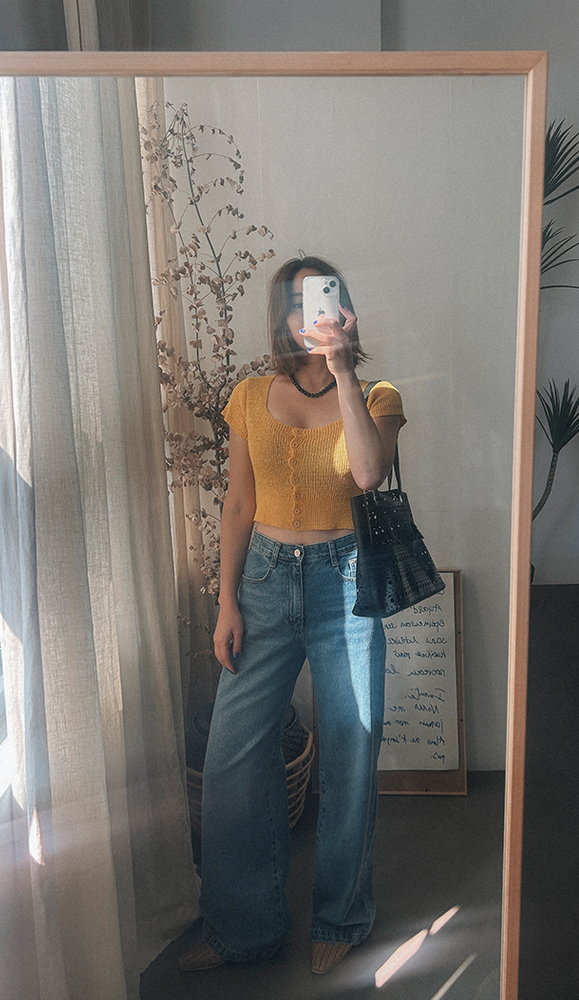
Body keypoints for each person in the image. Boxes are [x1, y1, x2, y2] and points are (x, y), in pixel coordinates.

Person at [179, 256, 406, 975]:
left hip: (347, 584)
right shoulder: (250, 395)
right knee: (231, 758)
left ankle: (341, 917)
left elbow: (367, 474)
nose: (309, 315)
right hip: (265, 581)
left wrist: (342, 371)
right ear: (282, 317)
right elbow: (239, 503)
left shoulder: (377, 394)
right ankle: (244, 929)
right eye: (296, 304)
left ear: (344, 309)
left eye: (322, 300)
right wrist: (226, 602)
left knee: (351, 753)